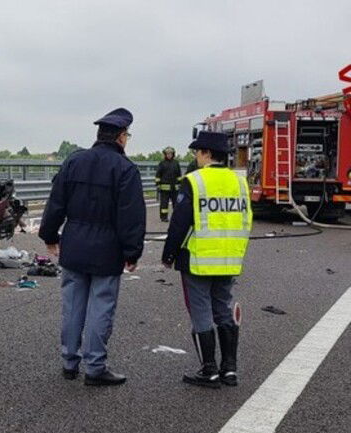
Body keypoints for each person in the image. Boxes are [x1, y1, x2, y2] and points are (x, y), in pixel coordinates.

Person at [39, 108, 146, 386]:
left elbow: (56, 203)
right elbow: (131, 216)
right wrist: (132, 252)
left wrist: (50, 235)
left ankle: (69, 363)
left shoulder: (74, 162)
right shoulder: (126, 170)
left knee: (73, 305)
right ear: (121, 137)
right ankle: (95, 367)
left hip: (74, 245)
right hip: (107, 250)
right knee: (101, 306)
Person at [161, 131, 252, 388]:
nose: (196, 157)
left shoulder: (195, 181)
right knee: (223, 309)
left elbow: (179, 223)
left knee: (201, 312)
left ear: (207, 154)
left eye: (198, 152)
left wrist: (169, 254)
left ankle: (209, 369)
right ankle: (230, 369)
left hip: (199, 258)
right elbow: (247, 220)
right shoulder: (240, 183)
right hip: (229, 258)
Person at [155, 147, 182, 222]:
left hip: (175, 189)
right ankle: (164, 217)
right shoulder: (162, 163)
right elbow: (158, 175)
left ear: (173, 154)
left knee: (176, 205)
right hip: (164, 189)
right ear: (165, 154)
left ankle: (176, 217)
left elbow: (179, 175)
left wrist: (180, 184)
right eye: (167, 154)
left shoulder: (176, 163)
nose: (169, 155)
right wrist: (158, 185)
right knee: (164, 205)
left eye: (170, 153)